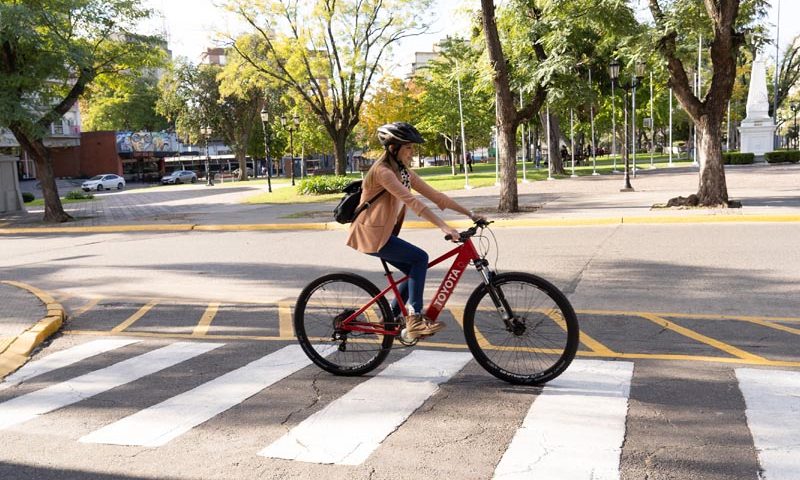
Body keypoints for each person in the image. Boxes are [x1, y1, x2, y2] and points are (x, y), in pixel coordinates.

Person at [346, 122, 484, 339]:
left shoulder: (401, 171)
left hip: (383, 234)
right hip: (371, 235)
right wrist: (443, 226)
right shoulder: (383, 172)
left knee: (415, 269)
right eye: (408, 147)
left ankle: (391, 317)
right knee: (420, 259)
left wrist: (470, 214)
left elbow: (436, 196)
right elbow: (412, 202)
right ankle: (415, 319)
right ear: (394, 148)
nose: (412, 152)